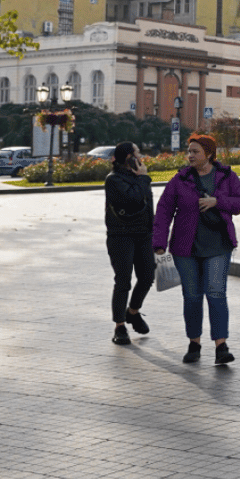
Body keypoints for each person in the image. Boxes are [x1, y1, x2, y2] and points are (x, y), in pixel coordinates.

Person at [153, 134, 240, 365]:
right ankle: (194, 344)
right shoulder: (180, 179)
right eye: (189, 151)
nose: (190, 155)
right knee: (192, 296)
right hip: (185, 249)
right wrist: (159, 243)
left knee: (216, 293)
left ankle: (221, 346)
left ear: (209, 154)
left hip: (218, 246)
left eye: (195, 151)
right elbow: (164, 210)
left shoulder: (226, 176)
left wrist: (218, 201)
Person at [104, 142, 154, 346]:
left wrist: (155, 233)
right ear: (128, 157)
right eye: (137, 152)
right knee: (123, 281)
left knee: (147, 277)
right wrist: (143, 178)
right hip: (121, 236)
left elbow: (148, 205)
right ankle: (120, 326)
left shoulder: (138, 177)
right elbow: (132, 199)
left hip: (143, 235)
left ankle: (132, 312)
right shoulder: (113, 179)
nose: (141, 156)